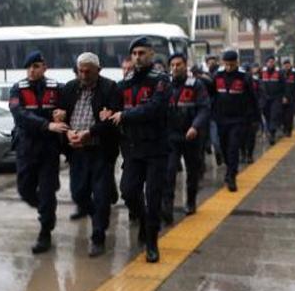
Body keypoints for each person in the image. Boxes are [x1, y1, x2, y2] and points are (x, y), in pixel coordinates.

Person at [109, 36, 171, 263]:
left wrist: (125, 115)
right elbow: (113, 106)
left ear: (151, 55)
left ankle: (152, 242)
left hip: (156, 148)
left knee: (153, 196)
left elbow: (154, 108)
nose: (137, 57)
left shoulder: (161, 80)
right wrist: (107, 113)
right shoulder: (125, 81)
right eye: (134, 54)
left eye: (142, 53)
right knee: (128, 191)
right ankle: (144, 221)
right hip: (133, 149)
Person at [54, 53, 121, 257]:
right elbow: (60, 114)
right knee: (78, 192)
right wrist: (67, 131)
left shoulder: (110, 88)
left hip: (100, 149)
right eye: (80, 71)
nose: (83, 75)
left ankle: (98, 235)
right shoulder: (69, 88)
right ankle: (100, 212)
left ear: (98, 71)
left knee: (100, 195)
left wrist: (89, 133)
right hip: (77, 151)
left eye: (88, 71)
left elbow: (113, 121)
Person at [9, 51, 67, 254]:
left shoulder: (56, 88)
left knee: (47, 192)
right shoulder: (18, 89)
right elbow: (20, 115)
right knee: (25, 189)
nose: (32, 70)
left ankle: (45, 230)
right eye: (29, 67)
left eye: (36, 66)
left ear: (45, 67)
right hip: (27, 148)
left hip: (49, 150)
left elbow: (67, 106)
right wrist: (46, 125)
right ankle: (46, 208)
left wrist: (63, 112)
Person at [161, 53, 210, 224]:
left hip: (191, 136)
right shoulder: (164, 86)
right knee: (169, 172)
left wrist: (195, 127)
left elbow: (204, 108)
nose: (175, 68)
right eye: (172, 65)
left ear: (185, 65)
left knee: (192, 171)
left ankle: (190, 201)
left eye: (179, 64)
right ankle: (167, 207)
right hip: (171, 136)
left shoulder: (196, 85)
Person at [212, 50, 259, 192]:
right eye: (226, 64)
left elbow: (252, 98)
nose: (228, 67)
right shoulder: (217, 75)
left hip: (238, 120)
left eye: (231, 65)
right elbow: (211, 94)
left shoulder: (244, 77)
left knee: (233, 148)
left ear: (236, 63)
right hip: (221, 118)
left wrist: (254, 118)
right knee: (223, 147)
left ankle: (232, 176)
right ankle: (229, 167)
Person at [258, 56, 286, 145]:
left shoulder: (279, 72)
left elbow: (284, 85)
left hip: (276, 98)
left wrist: (284, 96)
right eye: (269, 62)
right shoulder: (262, 72)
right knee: (267, 116)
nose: (271, 63)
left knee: (274, 115)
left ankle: (272, 134)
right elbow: (258, 85)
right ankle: (270, 130)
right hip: (265, 98)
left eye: (272, 62)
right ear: (266, 63)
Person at [280, 59, 295, 137]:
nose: (287, 66)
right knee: (283, 115)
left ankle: (289, 130)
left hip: (292, 98)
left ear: (290, 65)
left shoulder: (294, 74)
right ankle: (284, 128)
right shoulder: (280, 74)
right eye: (285, 65)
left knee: (290, 116)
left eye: (288, 65)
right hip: (282, 98)